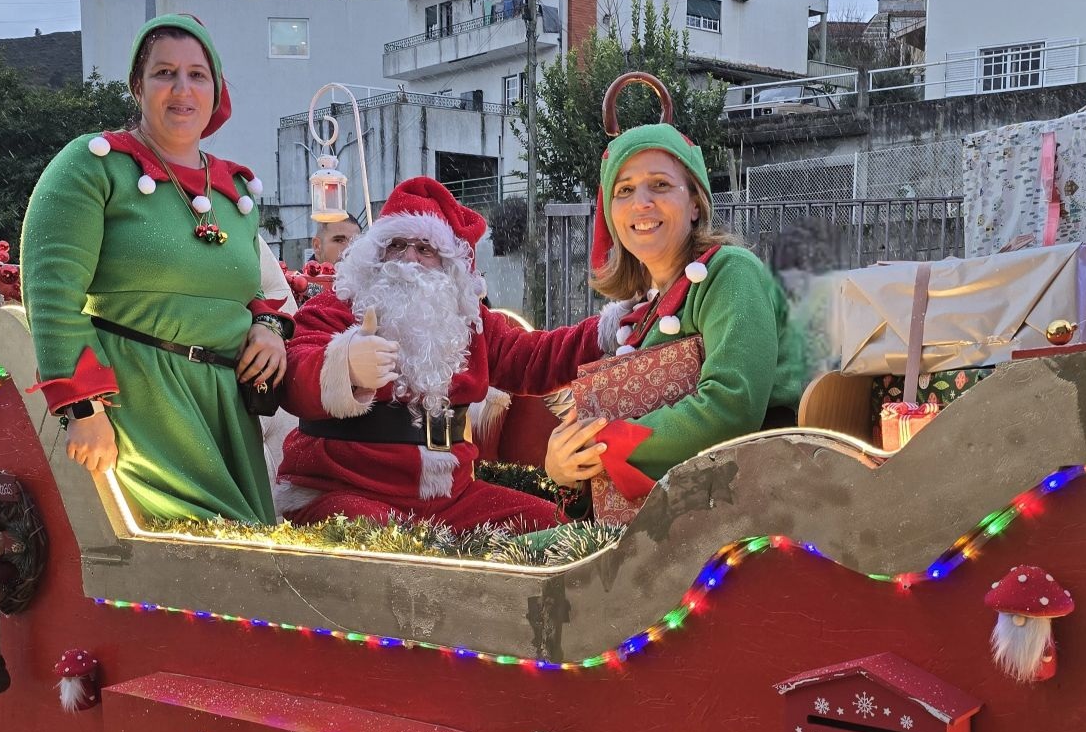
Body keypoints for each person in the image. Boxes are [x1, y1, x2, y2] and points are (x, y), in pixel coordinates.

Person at [21, 13, 295, 523]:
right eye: (164, 73)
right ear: (137, 86)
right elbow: (51, 291)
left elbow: (254, 292)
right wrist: (84, 408)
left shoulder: (236, 192)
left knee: (249, 569)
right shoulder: (92, 163)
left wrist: (270, 329)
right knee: (196, 568)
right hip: (138, 403)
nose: (182, 89)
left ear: (215, 89)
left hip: (226, 409)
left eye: (197, 74)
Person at [277, 178, 625, 532]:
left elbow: (536, 358)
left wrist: (610, 329)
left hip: (450, 501)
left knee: (555, 530)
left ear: (448, 265)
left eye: (425, 249)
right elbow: (293, 370)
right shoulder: (338, 305)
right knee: (385, 549)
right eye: (396, 244)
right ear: (375, 253)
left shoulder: (468, 323)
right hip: (343, 490)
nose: (409, 257)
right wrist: (345, 364)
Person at [543, 123, 804, 498]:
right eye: (625, 190)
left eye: (660, 185)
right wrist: (566, 464)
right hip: (673, 511)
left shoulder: (730, 272)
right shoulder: (642, 314)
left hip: (748, 504)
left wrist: (610, 443)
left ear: (695, 203)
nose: (641, 202)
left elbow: (732, 408)